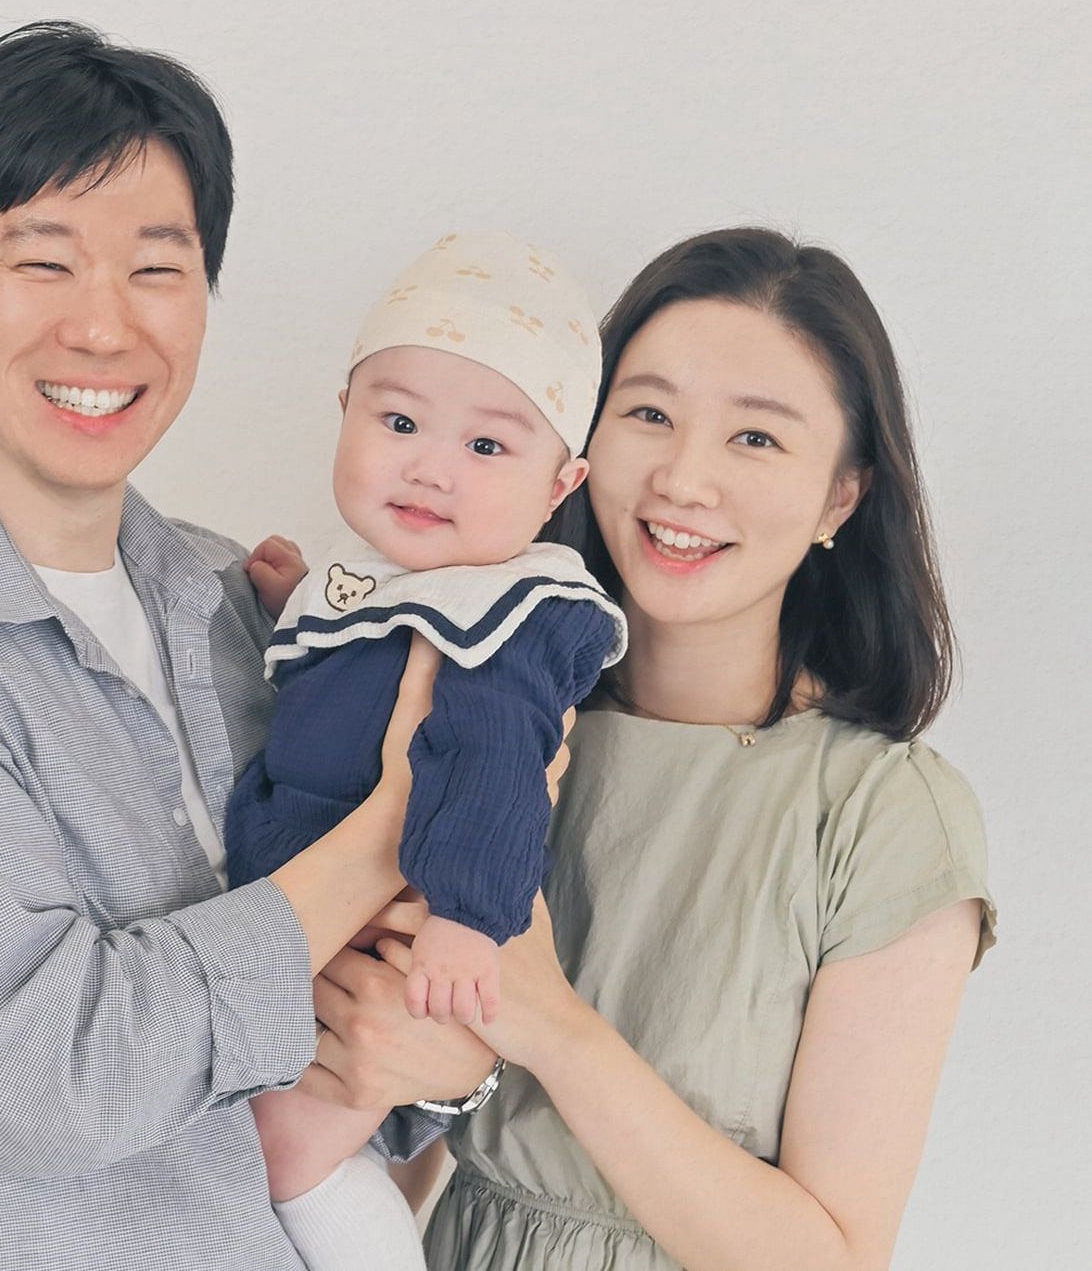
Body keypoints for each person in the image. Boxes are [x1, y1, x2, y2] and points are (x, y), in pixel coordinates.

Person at [0, 20, 492, 1271]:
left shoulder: (235, 600)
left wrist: (443, 1071)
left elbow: (354, 1045)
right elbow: (51, 1075)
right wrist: (404, 818)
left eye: (156, 268)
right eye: (44, 260)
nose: (102, 325)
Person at [385, 228, 997, 1270]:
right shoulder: (491, 726)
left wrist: (551, 1024)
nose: (682, 478)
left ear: (841, 495)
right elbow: (383, 1124)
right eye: (650, 414)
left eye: (755, 437)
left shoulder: (885, 813)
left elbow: (834, 1258)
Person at [224, 232, 627, 1264]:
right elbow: (361, 679)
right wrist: (298, 603)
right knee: (259, 1142)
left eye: (487, 447)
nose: (430, 466)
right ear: (345, 411)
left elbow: (498, 761)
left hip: (401, 941)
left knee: (287, 1156)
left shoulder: (507, 611)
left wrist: (466, 916)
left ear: (560, 485)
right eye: (398, 421)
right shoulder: (392, 577)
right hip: (306, 919)